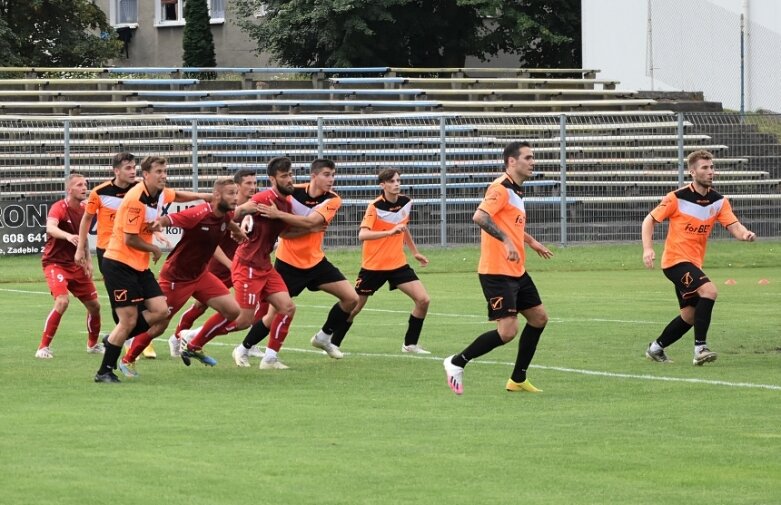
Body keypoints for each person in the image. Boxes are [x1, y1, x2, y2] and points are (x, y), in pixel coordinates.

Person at [178, 157, 316, 370]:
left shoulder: (285, 203)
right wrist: (240, 218)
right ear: (273, 179)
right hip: (248, 265)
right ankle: (194, 339)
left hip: (264, 265)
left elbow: (285, 231)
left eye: (291, 175)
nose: (290, 180)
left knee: (287, 308)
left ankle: (270, 359)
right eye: (284, 176)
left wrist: (309, 228)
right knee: (243, 320)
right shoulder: (262, 199)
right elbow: (228, 213)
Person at [443, 141, 553, 395]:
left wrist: (531, 241)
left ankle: (517, 379)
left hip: (516, 270)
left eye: (533, 157)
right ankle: (456, 362)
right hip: (496, 271)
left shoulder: (516, 190)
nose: (532, 162)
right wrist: (505, 240)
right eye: (528, 157)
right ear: (512, 161)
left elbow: (511, 224)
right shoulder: (500, 188)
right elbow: (480, 216)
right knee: (507, 332)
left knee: (539, 318)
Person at [93, 156, 209, 383]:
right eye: (158, 171)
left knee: (161, 310)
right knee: (127, 321)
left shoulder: (160, 192)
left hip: (138, 265)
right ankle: (104, 371)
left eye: (165, 171)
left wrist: (204, 197)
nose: (163, 175)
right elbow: (129, 239)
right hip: (119, 264)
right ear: (146, 175)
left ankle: (113, 340)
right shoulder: (135, 199)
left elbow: (178, 195)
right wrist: (154, 249)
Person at [116, 177, 246, 377]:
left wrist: (238, 233)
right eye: (231, 193)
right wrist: (159, 222)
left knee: (233, 310)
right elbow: (172, 219)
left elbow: (228, 223)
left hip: (200, 275)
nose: (235, 198)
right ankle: (128, 359)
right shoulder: (200, 213)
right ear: (217, 195)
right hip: (176, 277)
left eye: (236, 193)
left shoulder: (225, 214)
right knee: (159, 325)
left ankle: (194, 345)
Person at [641, 149, 756, 365]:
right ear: (692, 172)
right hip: (675, 262)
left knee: (690, 316)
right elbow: (649, 220)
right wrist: (648, 249)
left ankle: (656, 348)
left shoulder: (719, 201)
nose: (710, 172)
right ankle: (700, 349)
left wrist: (745, 234)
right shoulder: (676, 198)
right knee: (709, 291)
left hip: (693, 264)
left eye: (712, 167)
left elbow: (734, 226)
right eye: (705, 168)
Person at [241, 158, 358, 362]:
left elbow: (311, 222)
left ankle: (323, 337)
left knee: (351, 299)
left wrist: (281, 216)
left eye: (333, 175)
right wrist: (302, 227)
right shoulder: (291, 194)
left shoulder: (333, 199)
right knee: (273, 313)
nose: (331, 179)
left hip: (316, 261)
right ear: (314, 176)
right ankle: (245, 348)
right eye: (327, 175)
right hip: (288, 263)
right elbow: (284, 233)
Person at [329, 168, 431, 354]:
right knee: (353, 308)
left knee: (423, 300)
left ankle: (410, 344)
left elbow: (403, 228)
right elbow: (363, 234)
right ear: (382, 185)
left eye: (398, 180)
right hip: (373, 267)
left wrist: (415, 252)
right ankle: (333, 344)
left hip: (398, 264)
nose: (397, 184)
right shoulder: (374, 207)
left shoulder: (406, 202)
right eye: (392, 181)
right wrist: (388, 232)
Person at [74, 152, 165, 359]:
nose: (133, 171)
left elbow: (148, 218)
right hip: (109, 251)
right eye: (128, 168)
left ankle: (131, 338)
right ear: (116, 171)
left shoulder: (141, 191)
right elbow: (86, 219)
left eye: (134, 167)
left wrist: (157, 231)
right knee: (122, 301)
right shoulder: (100, 192)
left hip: (132, 249)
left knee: (142, 299)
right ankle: (125, 338)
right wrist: (81, 248)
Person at [169, 168, 264, 359]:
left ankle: (250, 343)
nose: (253, 187)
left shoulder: (255, 206)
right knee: (201, 305)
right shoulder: (231, 210)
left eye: (255, 183)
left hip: (242, 265)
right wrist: (229, 264)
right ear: (236, 187)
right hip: (221, 265)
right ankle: (178, 336)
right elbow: (212, 243)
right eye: (248, 183)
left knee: (257, 301)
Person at [36, 173, 102, 358]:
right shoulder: (59, 208)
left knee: (95, 306)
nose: (84, 188)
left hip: (76, 265)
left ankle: (93, 345)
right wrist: (67, 235)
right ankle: (43, 347)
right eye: (80, 185)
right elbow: (50, 227)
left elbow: (84, 238)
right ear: (69, 189)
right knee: (62, 301)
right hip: (55, 263)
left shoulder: (84, 210)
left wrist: (88, 261)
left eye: (86, 184)